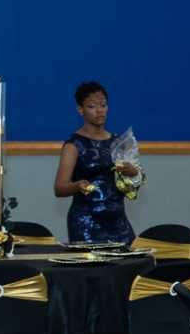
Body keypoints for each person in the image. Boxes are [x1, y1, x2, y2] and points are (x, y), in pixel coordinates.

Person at [54, 80, 139, 245]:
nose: (99, 111)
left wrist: (133, 173)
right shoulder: (73, 145)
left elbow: (130, 187)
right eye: (92, 106)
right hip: (86, 223)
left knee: (128, 259)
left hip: (118, 221)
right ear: (81, 110)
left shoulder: (118, 143)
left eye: (103, 105)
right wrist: (77, 186)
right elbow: (59, 188)